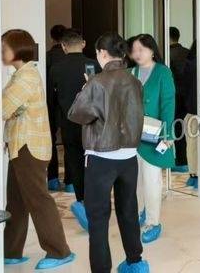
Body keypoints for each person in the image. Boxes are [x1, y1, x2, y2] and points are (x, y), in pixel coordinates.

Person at [68, 33, 148, 273]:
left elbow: (77, 114)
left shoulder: (97, 82)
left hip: (101, 158)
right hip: (129, 157)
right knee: (128, 210)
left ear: (103, 53)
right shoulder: (134, 81)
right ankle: (135, 262)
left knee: (99, 218)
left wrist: (85, 89)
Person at [1, 29, 75, 270]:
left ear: (17, 49)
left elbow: (3, 108)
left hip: (29, 148)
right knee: (16, 201)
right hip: (20, 146)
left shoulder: (27, 77)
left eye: (4, 48)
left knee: (38, 200)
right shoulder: (20, 75)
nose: (1, 52)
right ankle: (11, 251)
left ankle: (59, 251)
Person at [47, 28, 100, 231]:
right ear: (83, 44)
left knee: (75, 161)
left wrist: (53, 124)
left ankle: (82, 202)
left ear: (63, 46)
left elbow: (52, 101)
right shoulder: (93, 65)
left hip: (69, 123)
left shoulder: (56, 69)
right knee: (93, 162)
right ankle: (96, 203)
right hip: (92, 123)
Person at [130, 34, 176, 244]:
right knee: (136, 179)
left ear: (151, 50)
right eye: (134, 50)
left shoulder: (163, 72)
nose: (137, 53)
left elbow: (168, 103)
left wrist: (167, 135)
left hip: (154, 134)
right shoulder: (131, 72)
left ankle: (153, 221)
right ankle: (141, 211)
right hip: (133, 135)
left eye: (141, 49)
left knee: (152, 179)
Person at [46, 24, 67, 191]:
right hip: (70, 106)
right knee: (71, 143)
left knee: (50, 141)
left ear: (51, 38)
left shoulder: (47, 57)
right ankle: (71, 182)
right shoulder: (72, 58)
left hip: (50, 104)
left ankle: (52, 179)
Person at [169, 26, 190, 172]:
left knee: (175, 128)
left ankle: (180, 160)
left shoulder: (167, 55)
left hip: (174, 96)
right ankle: (184, 160)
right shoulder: (187, 53)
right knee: (185, 128)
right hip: (187, 96)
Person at [180, 42, 199, 188]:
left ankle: (193, 174)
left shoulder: (189, 64)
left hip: (190, 110)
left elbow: (183, 88)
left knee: (191, 145)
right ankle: (198, 173)